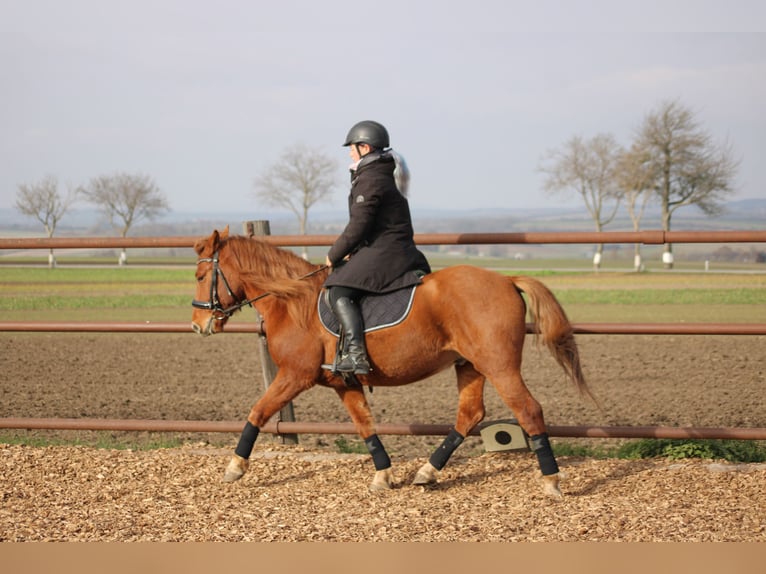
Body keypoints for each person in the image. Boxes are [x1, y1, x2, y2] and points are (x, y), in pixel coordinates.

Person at [324, 120, 431, 375]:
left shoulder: (371, 178)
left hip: (387, 251)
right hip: (389, 246)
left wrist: (334, 254)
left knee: (338, 290)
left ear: (365, 147)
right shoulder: (380, 172)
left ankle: (356, 354)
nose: (350, 152)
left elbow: (359, 224)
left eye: (352, 147)